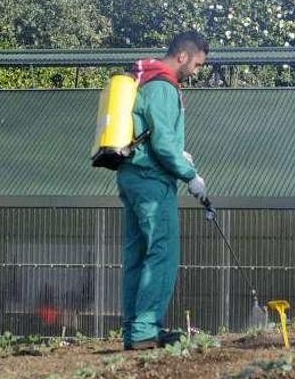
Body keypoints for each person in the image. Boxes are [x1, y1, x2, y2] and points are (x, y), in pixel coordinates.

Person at [117, 31, 209, 350]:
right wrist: (191, 175)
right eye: (197, 65)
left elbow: (152, 132)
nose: (195, 72)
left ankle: (134, 329)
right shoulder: (163, 85)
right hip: (152, 182)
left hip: (131, 176)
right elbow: (164, 145)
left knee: (137, 255)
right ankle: (144, 330)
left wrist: (178, 153)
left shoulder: (144, 81)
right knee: (162, 253)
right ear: (183, 56)